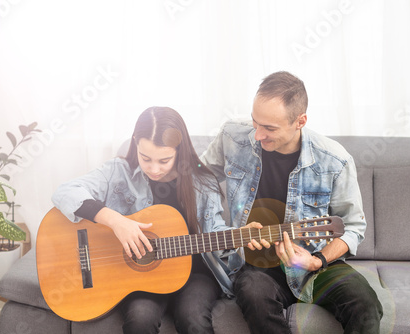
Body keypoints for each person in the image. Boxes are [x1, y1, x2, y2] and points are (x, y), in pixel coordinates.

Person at [52, 106, 263, 334]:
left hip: (196, 274)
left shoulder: (202, 181)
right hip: (142, 277)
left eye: (164, 160)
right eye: (146, 158)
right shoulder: (117, 171)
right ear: (136, 143)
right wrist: (116, 221)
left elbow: (215, 230)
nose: (154, 169)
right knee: (140, 319)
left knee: (193, 318)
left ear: (179, 151)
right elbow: (65, 192)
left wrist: (237, 238)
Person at [201, 71, 383, 334]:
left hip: (316, 265)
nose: (257, 135)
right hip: (258, 269)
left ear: (300, 121)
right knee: (254, 295)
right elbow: (198, 177)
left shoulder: (334, 160)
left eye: (270, 128)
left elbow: (354, 227)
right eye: (255, 123)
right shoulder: (232, 136)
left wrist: (317, 260)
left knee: (365, 304)